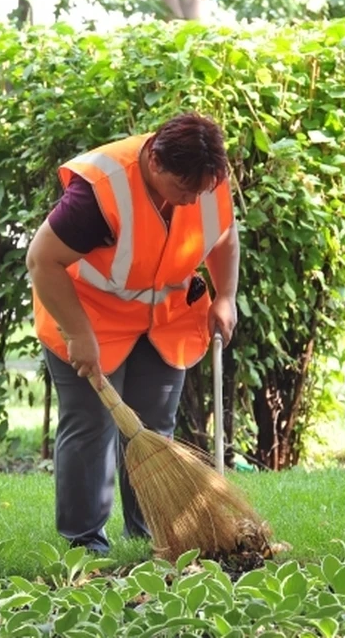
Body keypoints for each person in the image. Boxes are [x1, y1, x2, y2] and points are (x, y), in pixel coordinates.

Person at [25, 112, 240, 555]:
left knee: (155, 427)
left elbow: (223, 235)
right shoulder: (100, 191)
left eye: (200, 191)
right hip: (90, 317)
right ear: (157, 164)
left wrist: (225, 295)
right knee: (91, 425)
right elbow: (42, 261)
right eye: (184, 191)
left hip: (163, 320)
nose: (190, 201)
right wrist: (78, 335)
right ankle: (86, 543)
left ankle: (153, 531)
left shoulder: (205, 178)